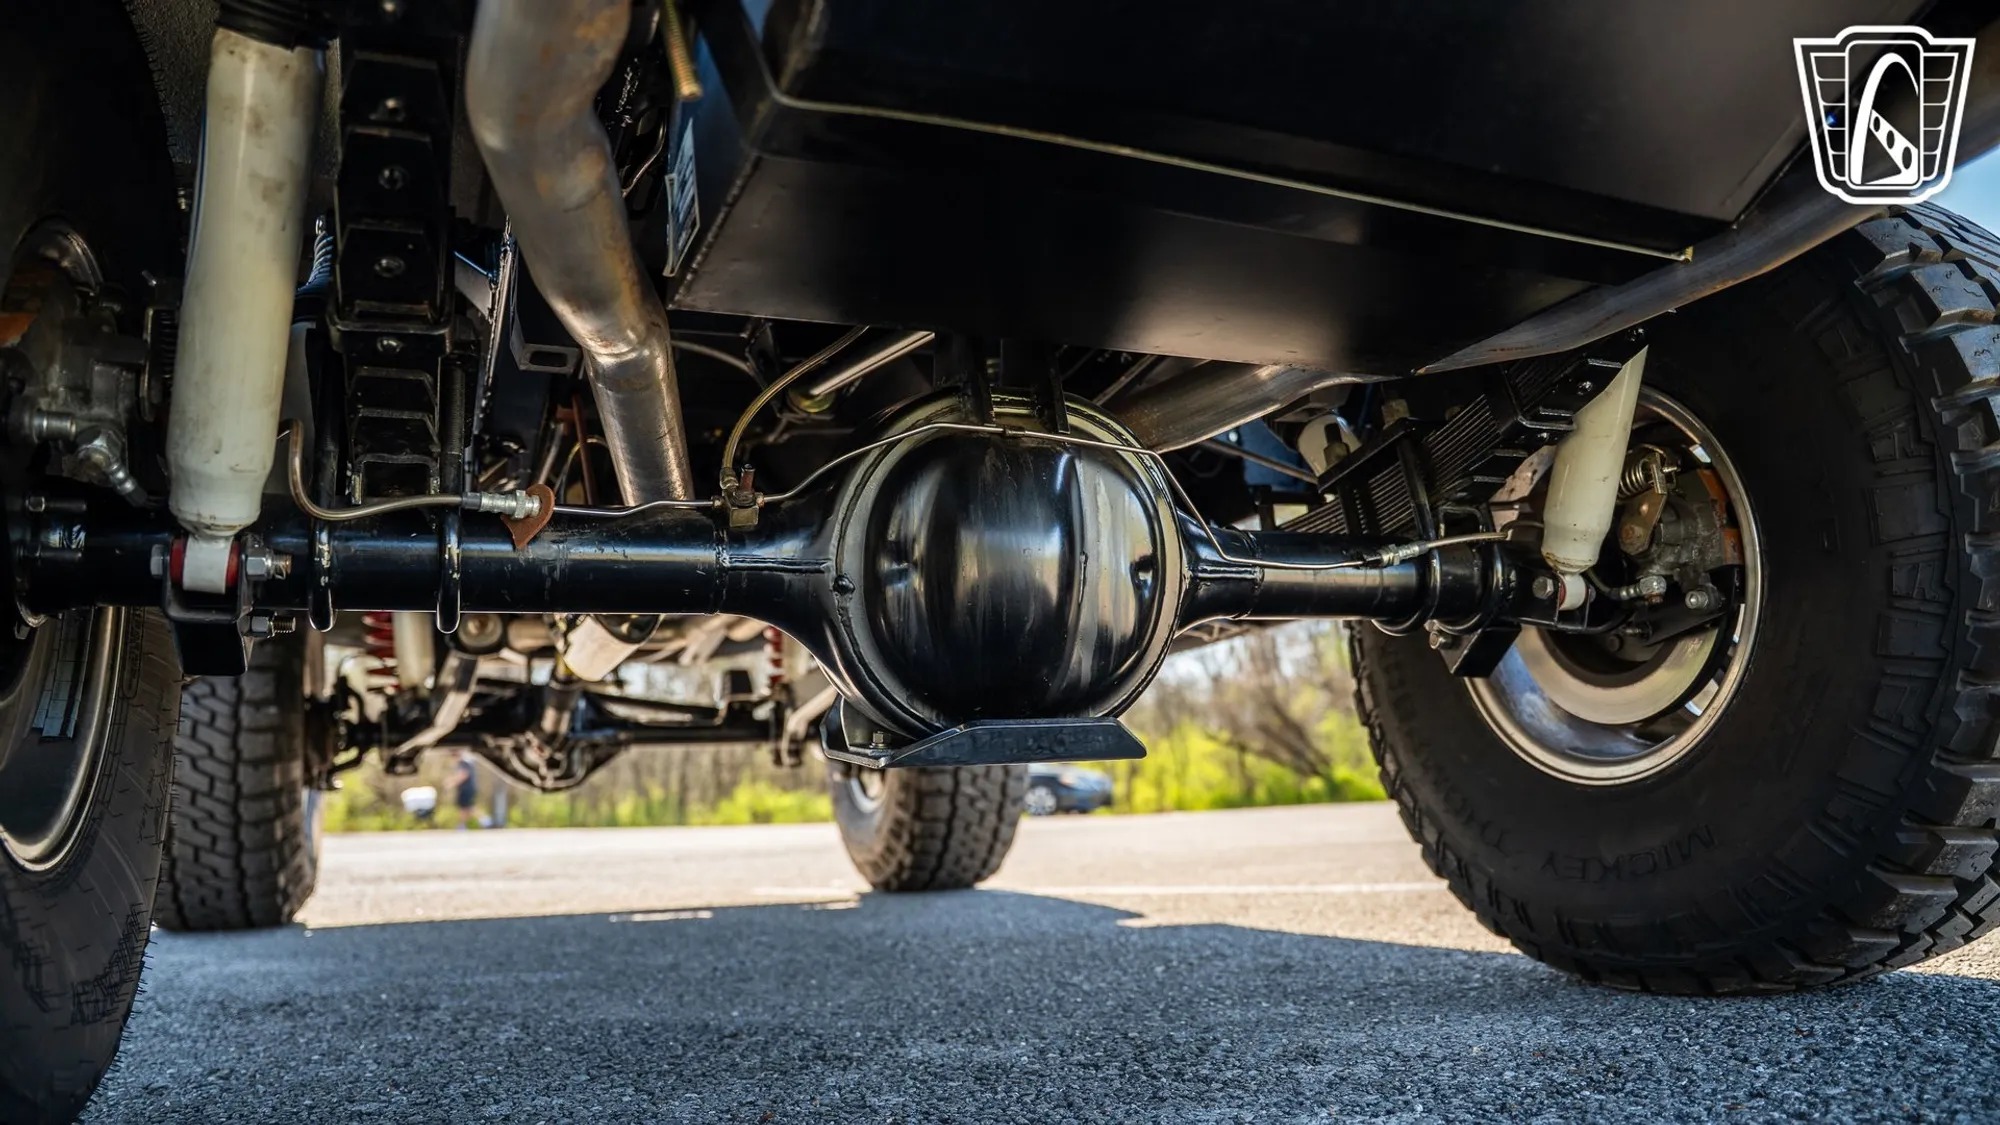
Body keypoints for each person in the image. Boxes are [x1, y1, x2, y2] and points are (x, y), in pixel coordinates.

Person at [446, 748, 479, 830]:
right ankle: (463, 825)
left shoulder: (463, 763)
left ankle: (462, 826)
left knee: (465, 808)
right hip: (467, 788)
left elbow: (463, 775)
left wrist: (451, 784)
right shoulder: (465, 763)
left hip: (466, 789)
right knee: (468, 808)